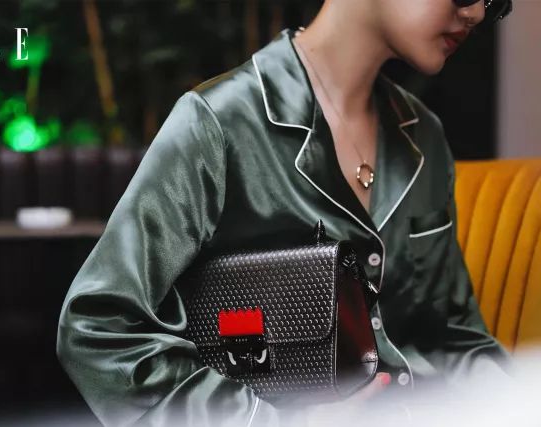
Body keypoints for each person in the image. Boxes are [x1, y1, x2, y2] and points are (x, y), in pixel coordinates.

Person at [57, 0, 513, 426]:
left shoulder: (424, 135)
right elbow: (99, 328)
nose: (477, 12)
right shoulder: (219, 122)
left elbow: (455, 339)